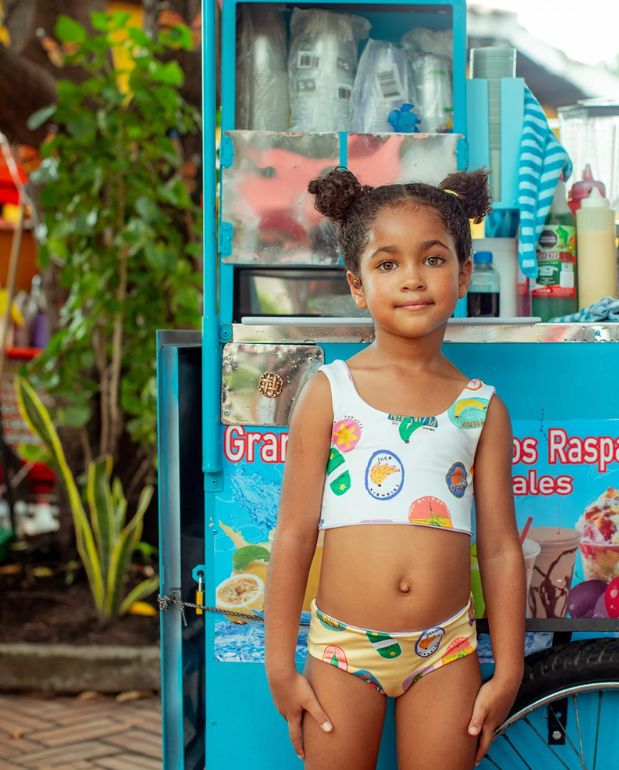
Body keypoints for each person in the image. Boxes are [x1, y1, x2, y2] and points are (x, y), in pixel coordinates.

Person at [265, 167, 526, 770]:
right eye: (388, 264)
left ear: (463, 274)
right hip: (340, 652)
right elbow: (294, 534)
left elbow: (501, 549)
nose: (412, 278)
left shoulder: (481, 407)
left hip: (447, 653)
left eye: (432, 260)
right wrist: (280, 664)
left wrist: (508, 669)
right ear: (357, 285)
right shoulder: (330, 393)